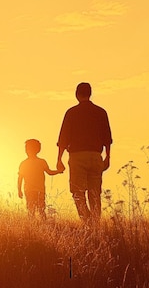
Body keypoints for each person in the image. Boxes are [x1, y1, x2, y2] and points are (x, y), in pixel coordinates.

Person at [57, 82, 113, 224]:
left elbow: (63, 138)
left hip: (77, 157)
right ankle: (95, 224)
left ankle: (87, 221)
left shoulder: (71, 112)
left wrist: (59, 159)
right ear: (90, 94)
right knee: (95, 194)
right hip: (95, 156)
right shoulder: (101, 112)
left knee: (77, 192)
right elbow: (107, 137)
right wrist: (107, 157)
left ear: (76, 94)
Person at [17, 139, 62, 219]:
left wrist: (58, 171)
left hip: (39, 191)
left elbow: (49, 172)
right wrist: (19, 190)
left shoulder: (41, 162)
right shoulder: (24, 163)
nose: (27, 151)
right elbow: (20, 178)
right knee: (31, 210)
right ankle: (33, 226)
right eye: (26, 149)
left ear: (37, 150)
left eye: (29, 149)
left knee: (40, 209)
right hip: (30, 190)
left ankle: (42, 224)